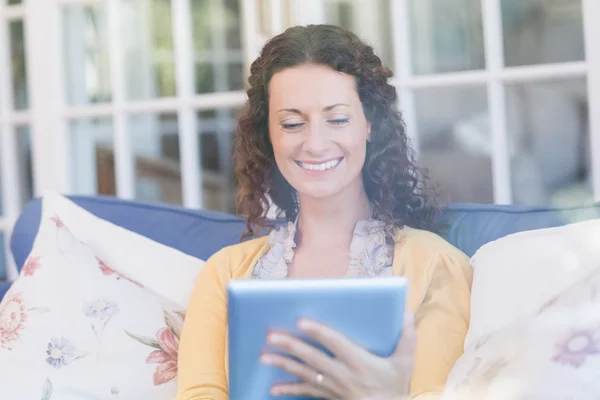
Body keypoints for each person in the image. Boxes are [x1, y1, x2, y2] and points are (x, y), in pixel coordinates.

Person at [177, 24, 472, 400]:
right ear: (268, 134)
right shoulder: (224, 275)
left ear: (369, 124)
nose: (315, 144)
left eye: (337, 119)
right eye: (292, 123)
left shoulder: (436, 267)